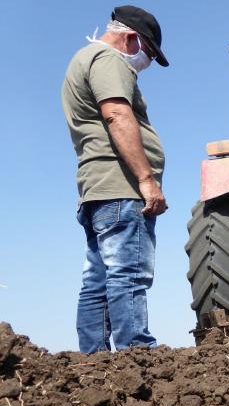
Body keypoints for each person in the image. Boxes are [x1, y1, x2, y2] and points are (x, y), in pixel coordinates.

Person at [61, 5, 169, 353]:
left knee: (98, 279)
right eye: (148, 53)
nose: (147, 62)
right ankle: (135, 354)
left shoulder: (83, 60)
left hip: (97, 189)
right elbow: (117, 115)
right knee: (128, 273)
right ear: (131, 38)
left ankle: (95, 362)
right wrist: (146, 178)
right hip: (121, 188)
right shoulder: (108, 61)